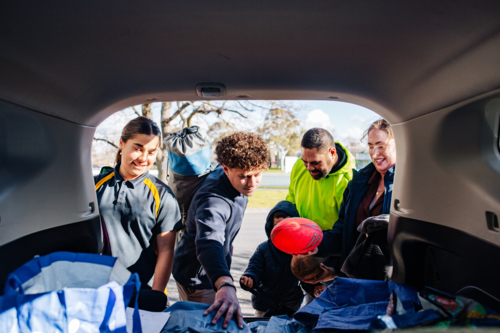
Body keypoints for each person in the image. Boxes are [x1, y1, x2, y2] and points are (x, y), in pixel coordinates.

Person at [172, 132, 269, 329]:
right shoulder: (213, 201)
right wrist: (224, 283)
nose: (251, 184)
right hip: (200, 281)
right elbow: (208, 243)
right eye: (244, 176)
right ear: (225, 169)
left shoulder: (236, 184)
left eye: (257, 174)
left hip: (207, 272)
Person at [94, 117, 182, 300]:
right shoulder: (93, 186)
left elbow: (166, 251)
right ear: (121, 143)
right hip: (96, 288)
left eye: (151, 152)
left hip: (142, 292)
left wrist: (156, 295)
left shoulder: (163, 196)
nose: (144, 158)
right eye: (137, 148)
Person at [302, 118, 397, 284]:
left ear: (399, 145)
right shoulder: (357, 183)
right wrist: (316, 246)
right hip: (353, 283)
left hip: (387, 284)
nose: (374, 153)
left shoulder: (409, 185)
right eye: (370, 146)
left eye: (381, 146)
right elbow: (343, 232)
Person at [240, 201, 304, 317]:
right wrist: (249, 278)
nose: (283, 233)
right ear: (271, 228)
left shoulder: (299, 250)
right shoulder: (263, 248)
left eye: (287, 228)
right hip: (264, 305)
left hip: (290, 306)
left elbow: (305, 275)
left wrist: (315, 287)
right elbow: (254, 268)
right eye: (278, 229)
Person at [286, 128, 355, 231]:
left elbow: (346, 228)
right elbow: (291, 198)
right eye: (305, 161)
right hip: (298, 234)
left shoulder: (350, 181)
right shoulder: (298, 166)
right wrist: (282, 212)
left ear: (332, 153)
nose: (309, 168)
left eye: (315, 162)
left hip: (329, 243)